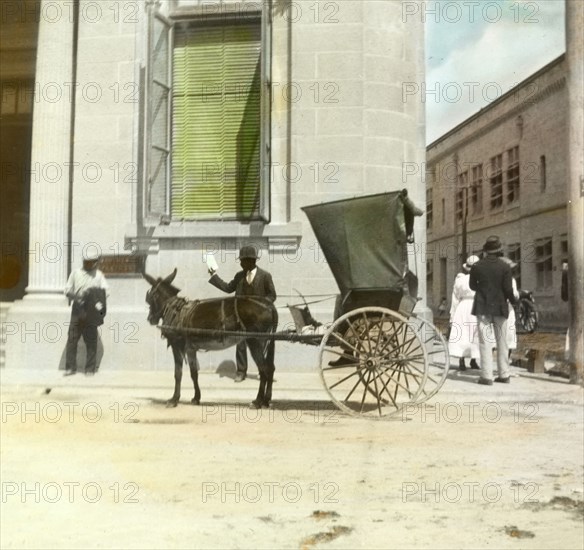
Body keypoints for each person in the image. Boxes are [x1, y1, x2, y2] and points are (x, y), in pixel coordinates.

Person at [208, 246, 277, 382]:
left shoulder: (265, 276)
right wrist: (214, 276)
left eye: (242, 261)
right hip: (241, 318)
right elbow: (228, 288)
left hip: (258, 319)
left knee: (260, 345)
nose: (240, 263)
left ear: (251, 261)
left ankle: (262, 370)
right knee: (240, 343)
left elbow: (272, 295)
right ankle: (241, 371)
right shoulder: (239, 276)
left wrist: (260, 305)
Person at [469, 236, 518, 385]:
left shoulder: (477, 266)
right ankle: (504, 374)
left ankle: (486, 376)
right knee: (502, 341)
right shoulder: (505, 267)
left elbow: (472, 286)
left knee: (484, 342)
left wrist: (484, 290)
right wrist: (515, 301)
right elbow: (508, 289)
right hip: (500, 306)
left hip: (482, 305)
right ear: (499, 251)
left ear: (485, 251)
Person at [64, 250, 108, 376]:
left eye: (91, 262)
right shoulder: (75, 273)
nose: (88, 264)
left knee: (91, 340)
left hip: (91, 312)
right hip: (77, 310)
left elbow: (105, 292)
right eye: (86, 262)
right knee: (72, 339)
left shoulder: (98, 275)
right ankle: (70, 368)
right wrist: (78, 296)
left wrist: (95, 299)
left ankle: (89, 369)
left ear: (95, 263)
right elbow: (67, 290)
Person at [448, 255, 480, 371]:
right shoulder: (479, 279)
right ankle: (473, 360)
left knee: (463, 332)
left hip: (463, 307)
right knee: (474, 333)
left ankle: (462, 360)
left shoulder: (460, 280)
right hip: (476, 306)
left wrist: (453, 314)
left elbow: (455, 298)